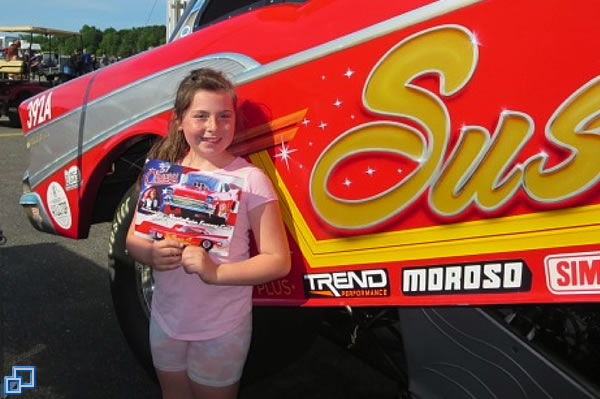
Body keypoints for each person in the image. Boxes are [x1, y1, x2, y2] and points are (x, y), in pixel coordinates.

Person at [125, 68, 291, 399]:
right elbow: (133, 240)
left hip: (222, 328)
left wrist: (216, 272)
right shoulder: (164, 174)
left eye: (224, 116)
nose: (213, 127)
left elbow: (278, 261)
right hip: (166, 321)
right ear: (179, 121)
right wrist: (150, 254)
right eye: (201, 116)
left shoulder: (250, 179)